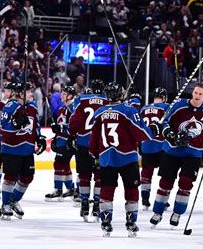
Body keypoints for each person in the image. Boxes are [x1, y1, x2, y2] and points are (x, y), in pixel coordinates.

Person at [89, 82, 153, 237]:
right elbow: (141, 133)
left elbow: (94, 138)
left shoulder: (99, 112)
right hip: (127, 158)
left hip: (106, 158)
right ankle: (131, 222)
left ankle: (105, 221)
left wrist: (95, 155)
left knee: (107, 190)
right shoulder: (128, 110)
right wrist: (152, 129)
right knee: (131, 191)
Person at [149, 83, 203, 227]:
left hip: (193, 152)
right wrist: (170, 134)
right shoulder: (179, 105)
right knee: (165, 183)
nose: (197, 96)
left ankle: (177, 213)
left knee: (186, 183)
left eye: (200, 94)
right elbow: (164, 122)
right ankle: (158, 212)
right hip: (172, 150)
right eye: (196, 93)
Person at [0, 82, 46, 220]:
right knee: (10, 178)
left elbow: (35, 125)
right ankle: (5, 205)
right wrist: (15, 123)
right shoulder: (10, 106)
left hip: (27, 149)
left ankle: (13, 200)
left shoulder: (32, 107)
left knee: (27, 178)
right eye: (28, 92)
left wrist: (39, 138)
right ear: (20, 93)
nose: (31, 94)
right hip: (12, 149)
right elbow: (3, 128)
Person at [68, 79, 108, 222]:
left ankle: (84, 203)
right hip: (101, 145)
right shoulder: (107, 102)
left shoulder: (82, 100)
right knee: (99, 177)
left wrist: (71, 134)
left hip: (84, 143)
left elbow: (74, 122)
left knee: (84, 175)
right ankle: (97, 205)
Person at [139, 87, 169, 210]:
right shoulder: (167, 107)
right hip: (161, 145)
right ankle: (162, 200)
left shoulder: (143, 108)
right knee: (166, 175)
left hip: (146, 145)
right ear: (164, 97)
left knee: (146, 174)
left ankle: (145, 198)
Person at [46, 85, 77, 201]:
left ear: (70, 96)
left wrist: (61, 129)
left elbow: (75, 125)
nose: (61, 96)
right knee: (64, 164)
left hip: (69, 141)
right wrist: (56, 130)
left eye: (64, 94)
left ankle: (58, 190)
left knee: (59, 163)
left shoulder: (74, 108)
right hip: (61, 140)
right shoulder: (61, 109)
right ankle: (70, 188)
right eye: (62, 93)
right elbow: (61, 125)